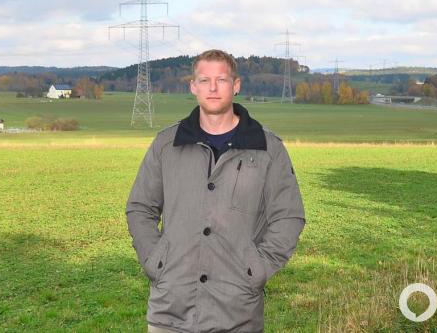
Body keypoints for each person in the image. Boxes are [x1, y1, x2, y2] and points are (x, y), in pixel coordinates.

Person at [126, 49, 306, 332]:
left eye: (221, 80)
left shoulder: (267, 149)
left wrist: (256, 269)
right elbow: (140, 207)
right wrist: (155, 260)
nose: (212, 88)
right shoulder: (166, 145)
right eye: (204, 80)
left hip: (236, 313)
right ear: (193, 86)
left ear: (236, 86)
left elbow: (289, 217)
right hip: (170, 310)